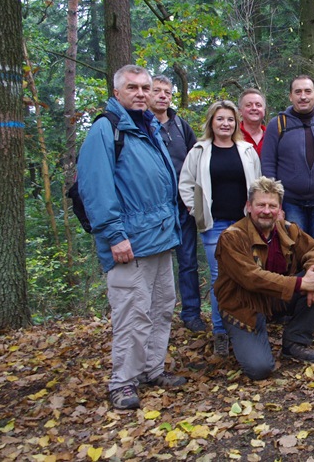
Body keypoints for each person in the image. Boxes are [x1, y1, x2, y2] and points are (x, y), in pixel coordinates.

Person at [78, 64, 185, 410]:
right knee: (132, 314)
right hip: (129, 243)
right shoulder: (107, 129)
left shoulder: (148, 127)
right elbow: (95, 187)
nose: (140, 93)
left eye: (145, 87)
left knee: (161, 308)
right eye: (132, 87)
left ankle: (152, 369)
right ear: (117, 92)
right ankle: (123, 382)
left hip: (160, 238)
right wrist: (114, 235)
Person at [214, 177, 314, 379]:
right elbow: (252, 277)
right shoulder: (231, 237)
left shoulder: (287, 229)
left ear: (279, 208)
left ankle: (295, 342)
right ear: (249, 206)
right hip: (243, 307)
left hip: (274, 298)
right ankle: (244, 336)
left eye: (272, 206)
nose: (266, 211)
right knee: (260, 369)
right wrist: (301, 283)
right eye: (261, 205)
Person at [178, 100, 262, 357]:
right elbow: (186, 184)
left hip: (243, 224)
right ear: (211, 122)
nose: (225, 124)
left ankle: (246, 327)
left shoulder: (247, 150)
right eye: (220, 119)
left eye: (230, 119)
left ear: (236, 123)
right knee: (220, 278)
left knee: (246, 275)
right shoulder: (199, 151)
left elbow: (258, 185)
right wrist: (196, 210)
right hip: (214, 226)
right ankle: (220, 331)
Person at [261, 75, 314, 246]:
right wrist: (274, 204)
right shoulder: (277, 124)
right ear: (290, 96)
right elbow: (268, 165)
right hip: (290, 201)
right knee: (295, 247)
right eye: (298, 92)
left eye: (308, 91)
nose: (303, 96)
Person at [148, 75, 204, 333]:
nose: (163, 96)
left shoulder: (181, 126)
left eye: (167, 92)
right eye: (157, 91)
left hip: (183, 206)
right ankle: (155, 316)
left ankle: (191, 314)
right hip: (154, 209)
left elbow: (198, 162)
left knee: (188, 261)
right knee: (154, 264)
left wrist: (195, 200)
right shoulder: (141, 126)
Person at [238, 88, 266, 155]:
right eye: (248, 105)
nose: (254, 108)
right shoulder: (232, 135)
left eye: (258, 105)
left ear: (264, 110)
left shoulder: (271, 135)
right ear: (240, 111)